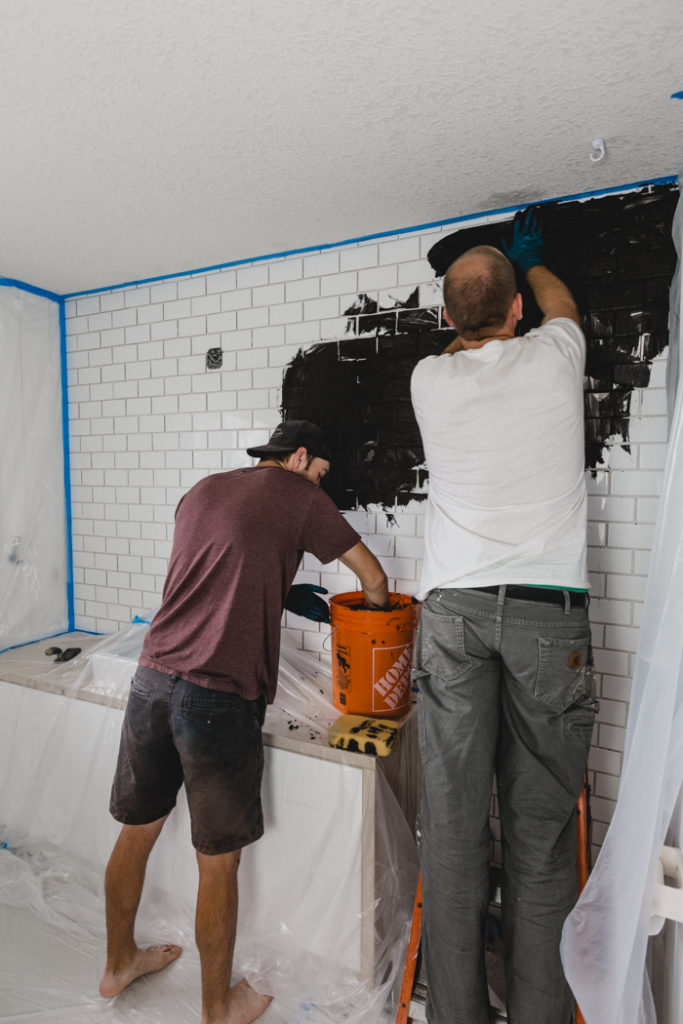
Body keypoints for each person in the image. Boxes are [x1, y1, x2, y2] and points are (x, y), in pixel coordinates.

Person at [98, 419, 389, 1024]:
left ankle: (117, 964)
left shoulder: (203, 489)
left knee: (137, 830)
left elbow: (214, 565)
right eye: (321, 475)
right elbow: (375, 579)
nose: (321, 487)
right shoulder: (302, 496)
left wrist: (279, 590)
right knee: (218, 862)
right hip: (217, 700)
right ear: (302, 457)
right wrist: (379, 636)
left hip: (151, 680)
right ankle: (216, 1007)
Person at [410, 211, 597, 1024]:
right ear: (519, 307)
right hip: (544, 613)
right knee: (540, 835)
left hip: (451, 611)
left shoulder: (428, 379)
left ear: (447, 319)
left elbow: (469, 339)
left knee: (452, 831)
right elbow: (564, 311)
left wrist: (477, 314)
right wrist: (531, 266)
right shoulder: (555, 358)